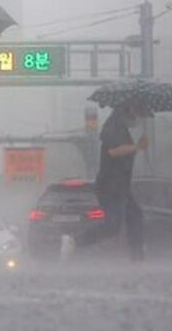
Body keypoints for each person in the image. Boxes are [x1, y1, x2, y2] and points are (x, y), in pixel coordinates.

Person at [62, 100, 150, 261]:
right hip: (111, 186)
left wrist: (137, 146)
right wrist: (136, 147)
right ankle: (75, 241)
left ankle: (137, 256)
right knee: (112, 226)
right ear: (127, 110)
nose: (136, 118)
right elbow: (113, 151)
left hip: (121, 185)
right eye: (135, 113)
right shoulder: (112, 127)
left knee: (135, 217)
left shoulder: (121, 128)